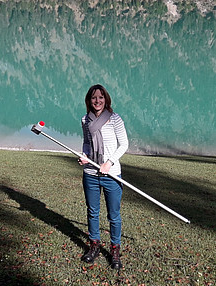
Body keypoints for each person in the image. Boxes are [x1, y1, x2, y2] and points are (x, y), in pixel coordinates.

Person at [78, 84, 129, 270]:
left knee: (113, 215)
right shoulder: (85, 120)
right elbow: (86, 142)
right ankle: (94, 245)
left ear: (106, 99)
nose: (97, 101)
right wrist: (84, 156)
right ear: (89, 100)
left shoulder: (115, 119)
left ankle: (115, 249)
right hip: (91, 173)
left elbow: (123, 145)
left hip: (111, 174)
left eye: (100, 97)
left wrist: (110, 163)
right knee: (92, 212)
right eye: (94, 98)